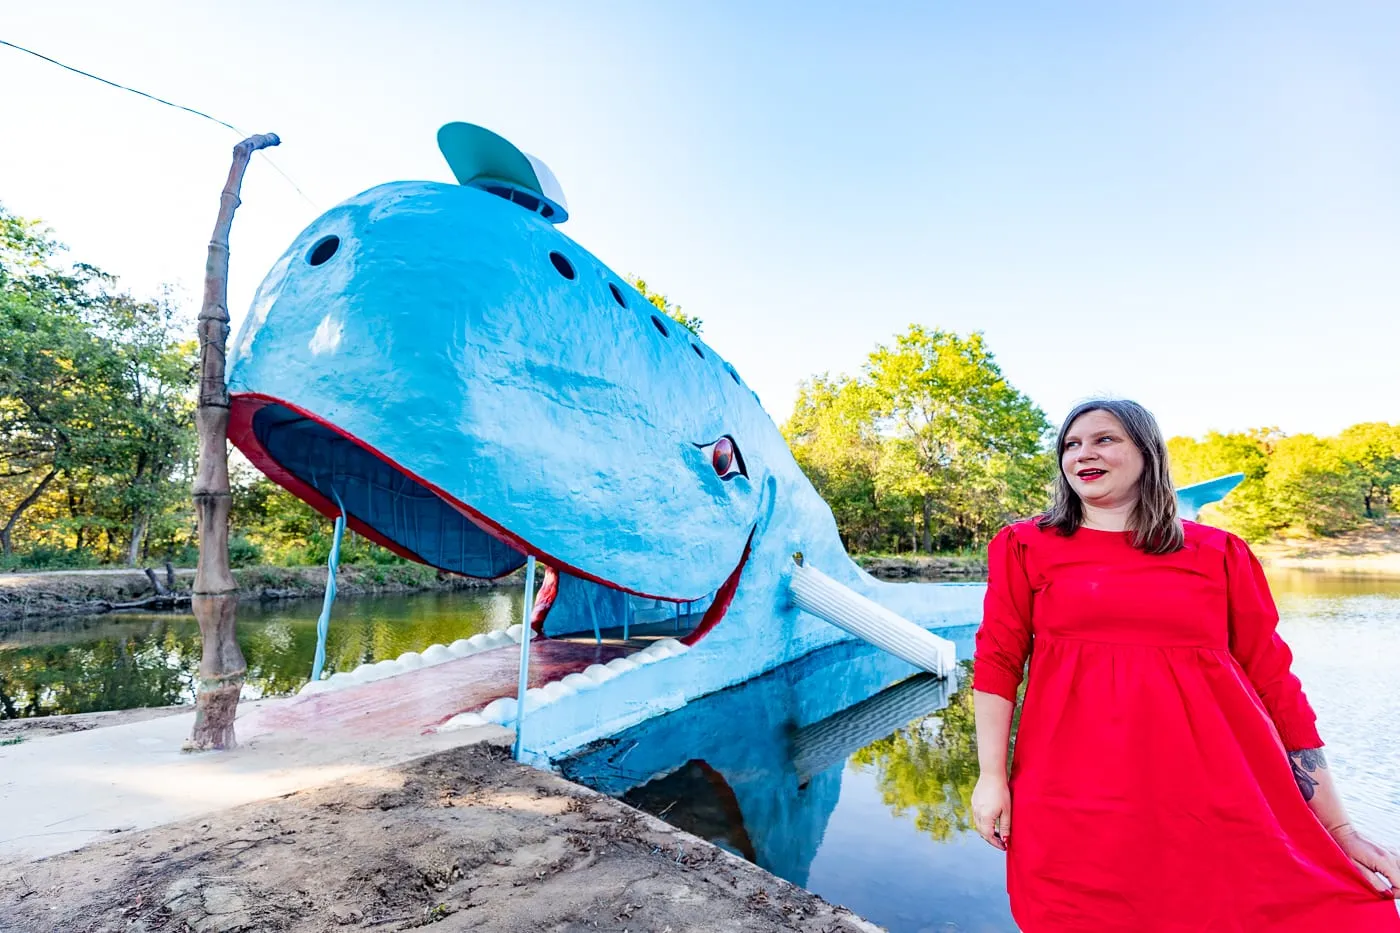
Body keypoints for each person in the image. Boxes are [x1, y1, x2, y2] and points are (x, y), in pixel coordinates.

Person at [970, 398, 1400, 932]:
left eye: (1105, 439)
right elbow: (997, 663)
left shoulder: (1220, 553)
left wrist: (1339, 827)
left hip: (1217, 795)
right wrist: (992, 777)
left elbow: (1275, 684)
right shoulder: (1024, 545)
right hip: (1071, 791)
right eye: (1071, 444)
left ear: (1147, 453)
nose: (1083, 453)